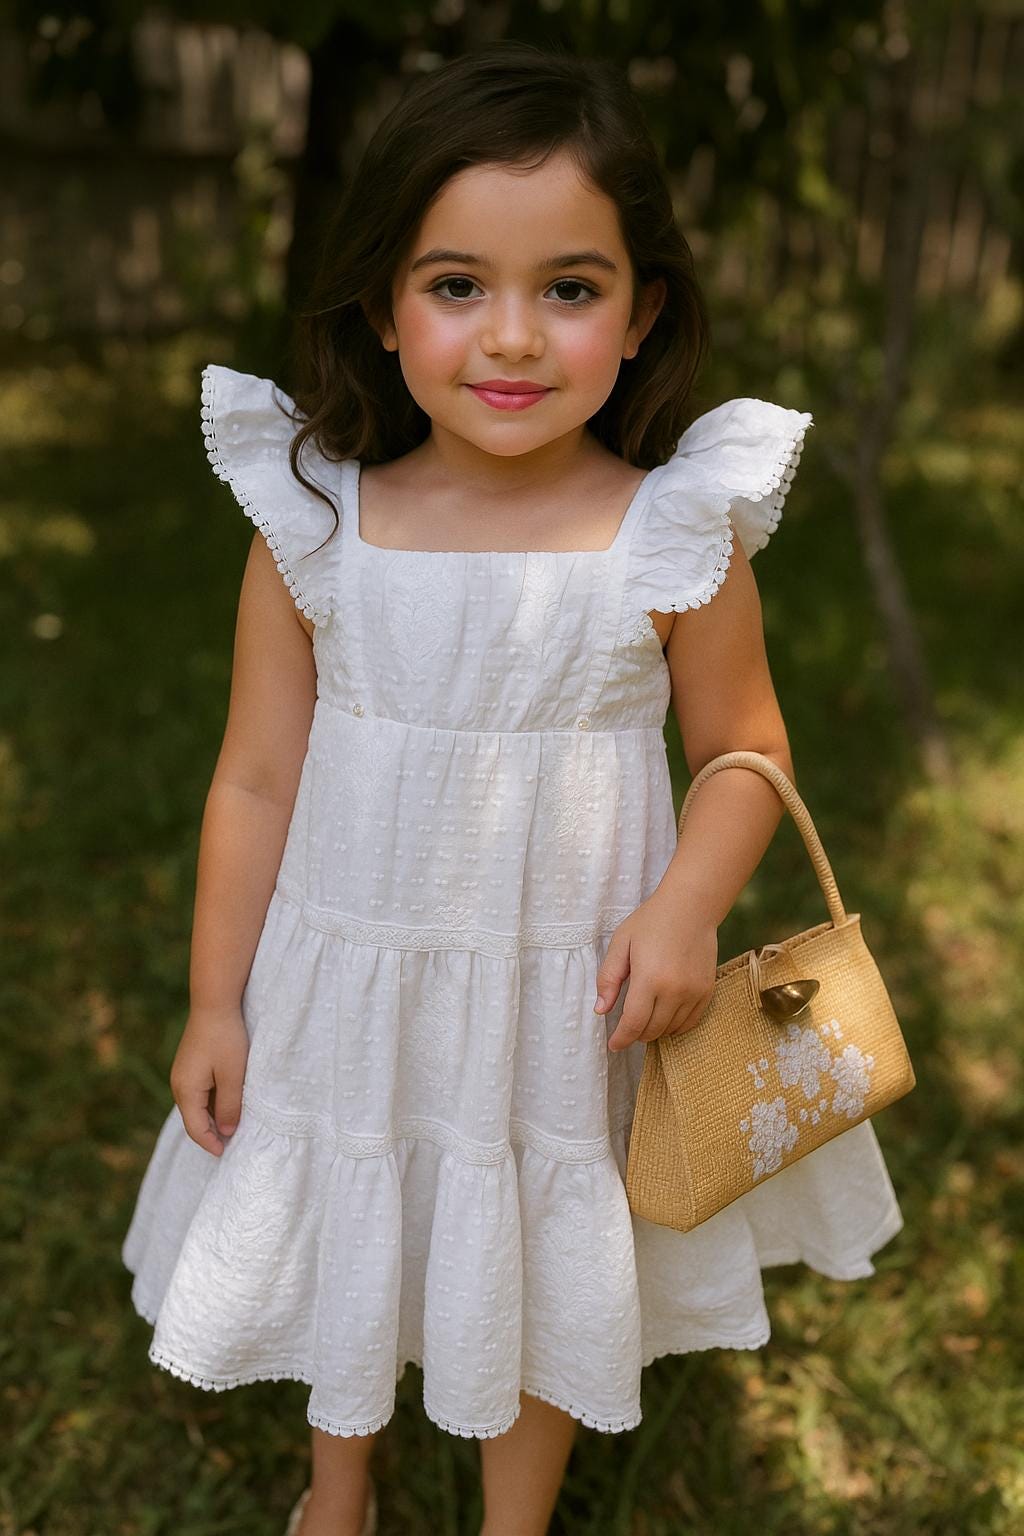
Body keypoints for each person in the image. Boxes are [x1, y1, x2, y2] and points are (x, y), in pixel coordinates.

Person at [121, 39, 905, 1536]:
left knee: (543, 1253)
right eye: (457, 284)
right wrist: (220, 999)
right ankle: (335, 1492)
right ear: (383, 302)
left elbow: (747, 750)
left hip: (569, 993)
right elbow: (255, 775)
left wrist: (687, 907)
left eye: (570, 288)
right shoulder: (315, 518)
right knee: (356, 1211)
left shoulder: (675, 530)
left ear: (642, 309)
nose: (514, 338)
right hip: (350, 976)